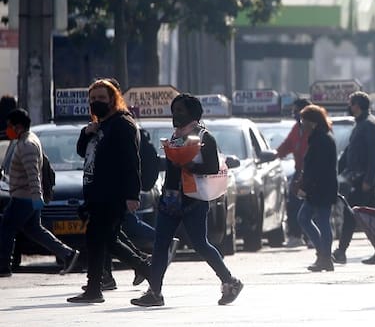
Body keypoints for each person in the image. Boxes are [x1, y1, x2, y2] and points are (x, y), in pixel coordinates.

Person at [132, 93, 243, 307]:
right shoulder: (176, 137)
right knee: (160, 244)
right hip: (170, 200)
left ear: (192, 113)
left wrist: (191, 166)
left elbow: (213, 167)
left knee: (200, 244)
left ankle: (230, 281)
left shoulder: (204, 137)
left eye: (180, 111)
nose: (175, 115)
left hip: (194, 201)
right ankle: (154, 292)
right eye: (173, 111)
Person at [68, 79, 151, 303]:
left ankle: (142, 270)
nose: (97, 102)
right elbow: (82, 151)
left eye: (102, 98)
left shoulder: (122, 124)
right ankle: (99, 286)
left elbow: (131, 161)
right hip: (96, 192)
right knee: (103, 240)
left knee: (101, 238)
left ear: (112, 99)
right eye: (93, 99)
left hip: (112, 193)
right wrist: (87, 132)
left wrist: (132, 195)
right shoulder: (99, 125)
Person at [0, 108, 80, 277]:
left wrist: (37, 198)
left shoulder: (27, 145)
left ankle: (3, 266)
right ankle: (67, 254)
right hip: (27, 196)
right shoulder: (27, 140)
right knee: (35, 230)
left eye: (9, 126)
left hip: (24, 197)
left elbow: (33, 174)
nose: (8, 130)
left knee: (6, 228)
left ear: (18, 126)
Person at [332, 91, 375, 265]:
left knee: (354, 215)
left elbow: (374, 155)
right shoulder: (360, 124)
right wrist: (339, 169)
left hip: (363, 180)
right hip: (356, 178)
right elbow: (351, 151)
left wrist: (369, 179)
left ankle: (341, 251)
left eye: (351, 103)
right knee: (369, 217)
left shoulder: (369, 125)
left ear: (357, 105)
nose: (349, 107)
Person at [296, 104, 338, 272]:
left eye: (303, 121)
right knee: (305, 218)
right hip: (319, 187)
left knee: (321, 221)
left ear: (312, 122)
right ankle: (323, 254)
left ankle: (325, 257)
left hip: (321, 188)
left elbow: (317, 168)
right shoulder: (318, 138)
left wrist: (305, 187)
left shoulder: (322, 139)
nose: (301, 125)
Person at [276, 98, 312, 248]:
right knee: (293, 204)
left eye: (296, 111)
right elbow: (287, 145)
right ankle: (295, 236)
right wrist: (275, 155)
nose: (294, 114)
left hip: (313, 172)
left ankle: (312, 237)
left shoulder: (316, 129)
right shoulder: (297, 129)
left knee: (313, 206)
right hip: (299, 172)